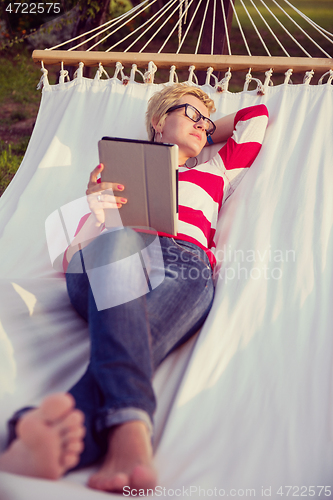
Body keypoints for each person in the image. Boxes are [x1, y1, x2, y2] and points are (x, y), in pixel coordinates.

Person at [0, 83, 269, 493]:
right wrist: (97, 211)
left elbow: (256, 118)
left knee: (137, 331)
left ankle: (36, 438)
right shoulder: (118, 175)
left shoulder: (215, 171)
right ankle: (130, 429)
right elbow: (75, 251)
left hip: (184, 263)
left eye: (206, 120)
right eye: (190, 114)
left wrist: (204, 127)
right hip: (109, 259)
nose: (201, 124)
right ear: (159, 121)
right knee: (123, 241)